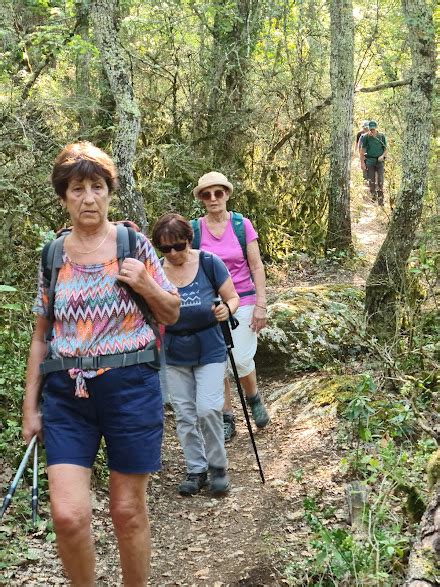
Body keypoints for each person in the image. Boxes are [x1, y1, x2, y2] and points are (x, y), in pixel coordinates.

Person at [21, 142, 180, 586]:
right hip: (66, 394)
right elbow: (40, 335)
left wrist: (147, 284)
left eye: (96, 187)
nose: (88, 198)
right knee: (69, 516)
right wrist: (29, 407)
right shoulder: (53, 256)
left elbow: (172, 312)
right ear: (64, 197)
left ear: (110, 192)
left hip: (131, 386)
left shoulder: (135, 245)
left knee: (126, 511)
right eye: (77, 189)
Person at [151, 213, 239, 496]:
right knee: (185, 413)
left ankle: (217, 466)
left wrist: (227, 310)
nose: (173, 253)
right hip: (175, 349)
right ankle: (195, 469)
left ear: (189, 240)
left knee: (208, 408)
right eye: (165, 248)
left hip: (210, 345)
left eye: (178, 245)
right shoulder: (155, 272)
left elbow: (233, 297)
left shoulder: (209, 263)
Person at [191, 172, 270, 443]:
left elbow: (256, 266)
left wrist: (261, 304)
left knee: (240, 358)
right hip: (210, 305)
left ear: (226, 194)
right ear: (201, 198)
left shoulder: (241, 224)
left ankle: (253, 397)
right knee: (218, 363)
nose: (213, 198)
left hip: (244, 299)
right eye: (206, 194)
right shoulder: (195, 230)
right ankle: (227, 416)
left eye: (218, 193)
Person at [360, 120, 388, 206]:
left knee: (380, 180)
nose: (372, 130)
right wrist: (362, 163)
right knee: (371, 181)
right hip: (370, 160)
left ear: (376, 128)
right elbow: (362, 150)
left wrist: (382, 156)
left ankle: (381, 201)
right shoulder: (365, 137)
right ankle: (373, 197)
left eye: (373, 129)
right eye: (370, 129)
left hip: (380, 161)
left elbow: (386, 148)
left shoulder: (381, 136)